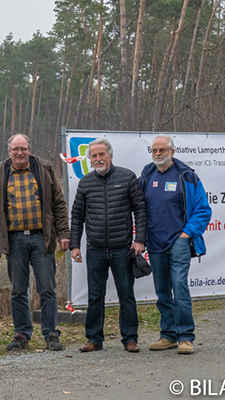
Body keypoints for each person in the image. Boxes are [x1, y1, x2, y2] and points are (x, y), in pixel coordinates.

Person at [0, 134, 69, 351]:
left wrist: (63, 234)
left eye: (23, 148)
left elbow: (59, 203)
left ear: (30, 149)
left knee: (47, 289)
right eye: (15, 149)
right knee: (18, 290)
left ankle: (51, 333)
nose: (19, 152)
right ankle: (22, 333)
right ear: (9, 151)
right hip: (14, 241)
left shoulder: (44, 169)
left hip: (42, 238)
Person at [70, 138, 147, 353]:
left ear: (110, 156)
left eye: (101, 154)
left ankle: (130, 339)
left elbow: (140, 209)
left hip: (122, 248)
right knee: (95, 295)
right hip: (94, 249)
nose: (97, 159)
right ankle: (94, 339)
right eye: (93, 156)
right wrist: (74, 245)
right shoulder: (85, 183)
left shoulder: (127, 177)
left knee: (126, 294)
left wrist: (140, 240)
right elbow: (77, 216)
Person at [140, 135, 212, 354]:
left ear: (172, 152)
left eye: (162, 150)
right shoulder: (146, 175)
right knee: (162, 290)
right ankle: (168, 335)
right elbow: (137, 206)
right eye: (154, 150)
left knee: (179, 287)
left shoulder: (187, 176)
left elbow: (202, 210)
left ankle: (185, 337)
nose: (158, 154)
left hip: (179, 241)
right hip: (155, 242)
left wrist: (186, 234)